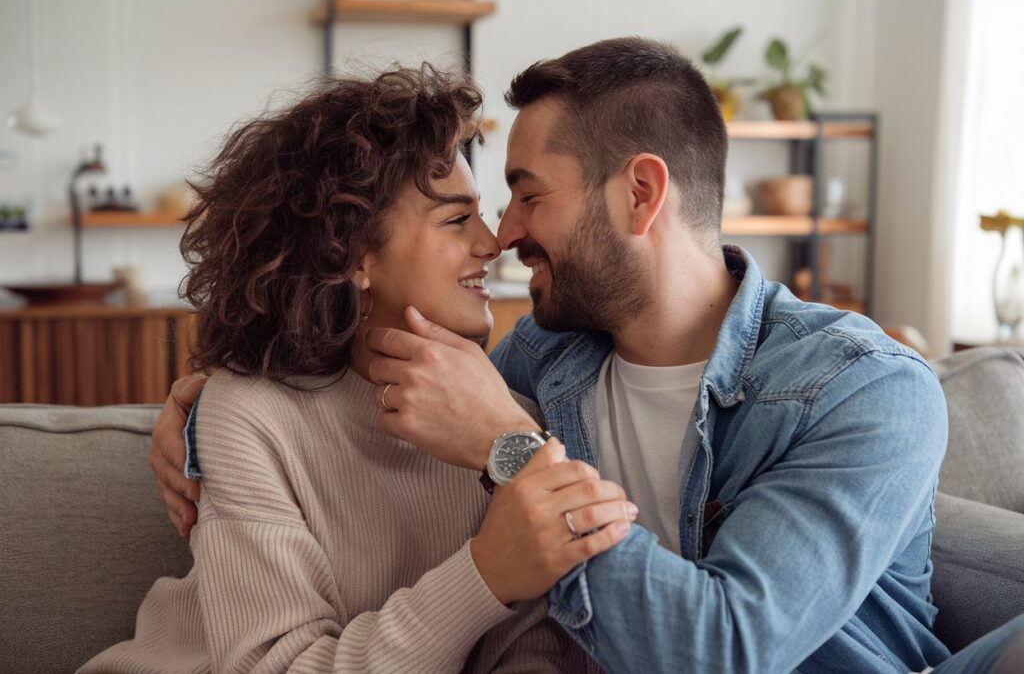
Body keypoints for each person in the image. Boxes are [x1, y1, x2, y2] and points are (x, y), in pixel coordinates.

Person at [153, 39, 1024, 673]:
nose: (503, 233)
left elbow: (722, 651)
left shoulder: (861, 389)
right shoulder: (538, 356)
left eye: (526, 195)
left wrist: (511, 451)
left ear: (641, 192)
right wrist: (209, 398)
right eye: (471, 214)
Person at [81, 65, 623, 673]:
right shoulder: (249, 414)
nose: (493, 242)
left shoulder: (509, 422)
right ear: (354, 253)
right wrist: (484, 574)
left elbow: (533, 653)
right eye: (455, 219)